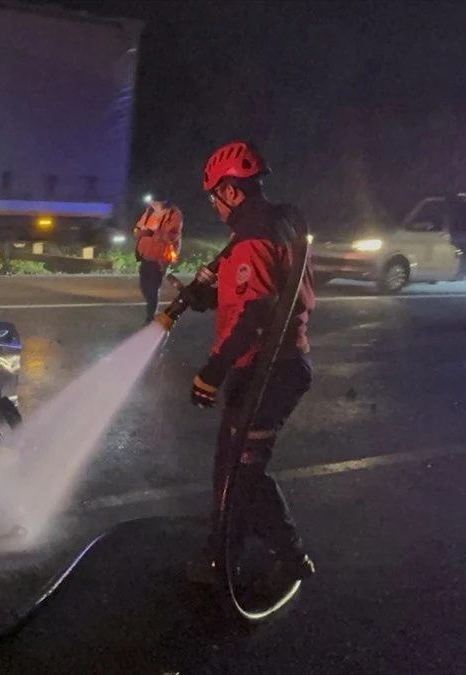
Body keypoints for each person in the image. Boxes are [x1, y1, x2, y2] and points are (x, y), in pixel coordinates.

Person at [186, 140, 316, 586]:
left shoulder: (252, 238)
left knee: (243, 474)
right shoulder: (275, 224)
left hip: (268, 369)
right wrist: (205, 295)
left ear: (231, 191)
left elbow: (256, 314)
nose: (214, 205)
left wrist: (211, 373)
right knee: (232, 468)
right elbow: (253, 292)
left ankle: (285, 556)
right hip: (274, 365)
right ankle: (221, 552)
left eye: (215, 195)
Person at [133, 199, 183, 323]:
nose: (151, 204)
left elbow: (172, 236)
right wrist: (138, 232)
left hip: (160, 258)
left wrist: (151, 233)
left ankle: (151, 316)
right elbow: (139, 226)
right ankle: (152, 309)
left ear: (162, 201)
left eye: (154, 202)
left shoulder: (173, 215)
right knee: (144, 286)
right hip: (145, 256)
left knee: (153, 287)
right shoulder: (149, 212)